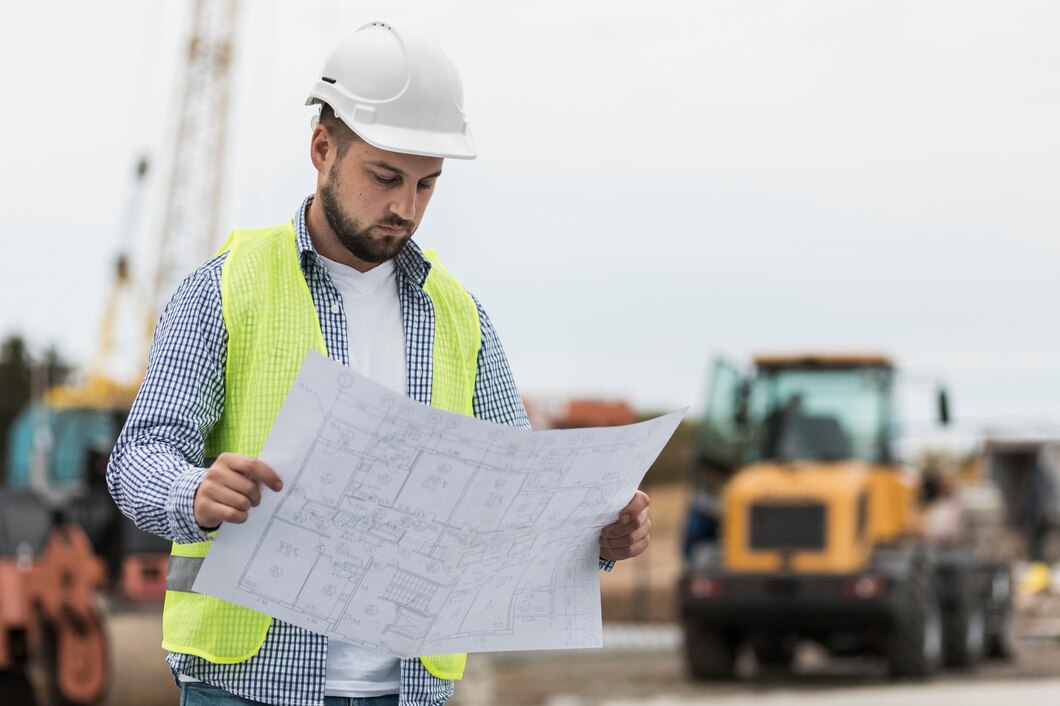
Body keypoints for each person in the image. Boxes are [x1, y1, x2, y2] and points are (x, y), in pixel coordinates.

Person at [107, 20, 652, 706]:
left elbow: (519, 498)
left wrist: (598, 533)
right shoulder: (223, 289)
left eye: (428, 185)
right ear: (322, 147)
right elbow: (138, 458)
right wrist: (193, 493)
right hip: (247, 685)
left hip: (410, 689)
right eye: (386, 177)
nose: (406, 208)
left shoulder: (461, 318)